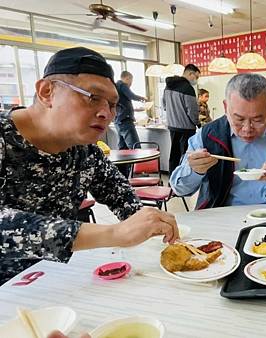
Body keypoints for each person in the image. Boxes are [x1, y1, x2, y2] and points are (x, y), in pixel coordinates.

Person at [0, 47, 179, 285]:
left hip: (59, 279)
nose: (106, 113)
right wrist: (115, 234)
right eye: (93, 97)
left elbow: (120, 195)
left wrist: (150, 224)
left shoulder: (83, 149)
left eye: (113, 104)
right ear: (46, 92)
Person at [170, 73, 266, 208]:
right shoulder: (207, 135)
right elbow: (179, 189)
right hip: (221, 216)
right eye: (239, 119)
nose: (247, 128)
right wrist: (195, 170)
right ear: (226, 107)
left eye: (258, 120)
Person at [163, 63, 200, 173]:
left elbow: (164, 105)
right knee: (186, 156)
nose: (196, 80)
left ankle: (172, 180)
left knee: (174, 154)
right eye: (196, 77)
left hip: (172, 126)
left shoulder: (168, 86)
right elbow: (192, 111)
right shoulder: (188, 88)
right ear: (190, 73)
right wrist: (198, 123)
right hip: (186, 128)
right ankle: (183, 181)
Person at [114, 70, 147, 177]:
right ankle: (138, 173)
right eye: (131, 81)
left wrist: (135, 110)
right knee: (135, 147)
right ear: (127, 78)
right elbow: (131, 95)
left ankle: (123, 174)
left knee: (122, 149)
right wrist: (142, 98)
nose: (131, 84)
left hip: (118, 121)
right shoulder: (122, 85)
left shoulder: (116, 87)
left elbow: (123, 104)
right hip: (126, 121)